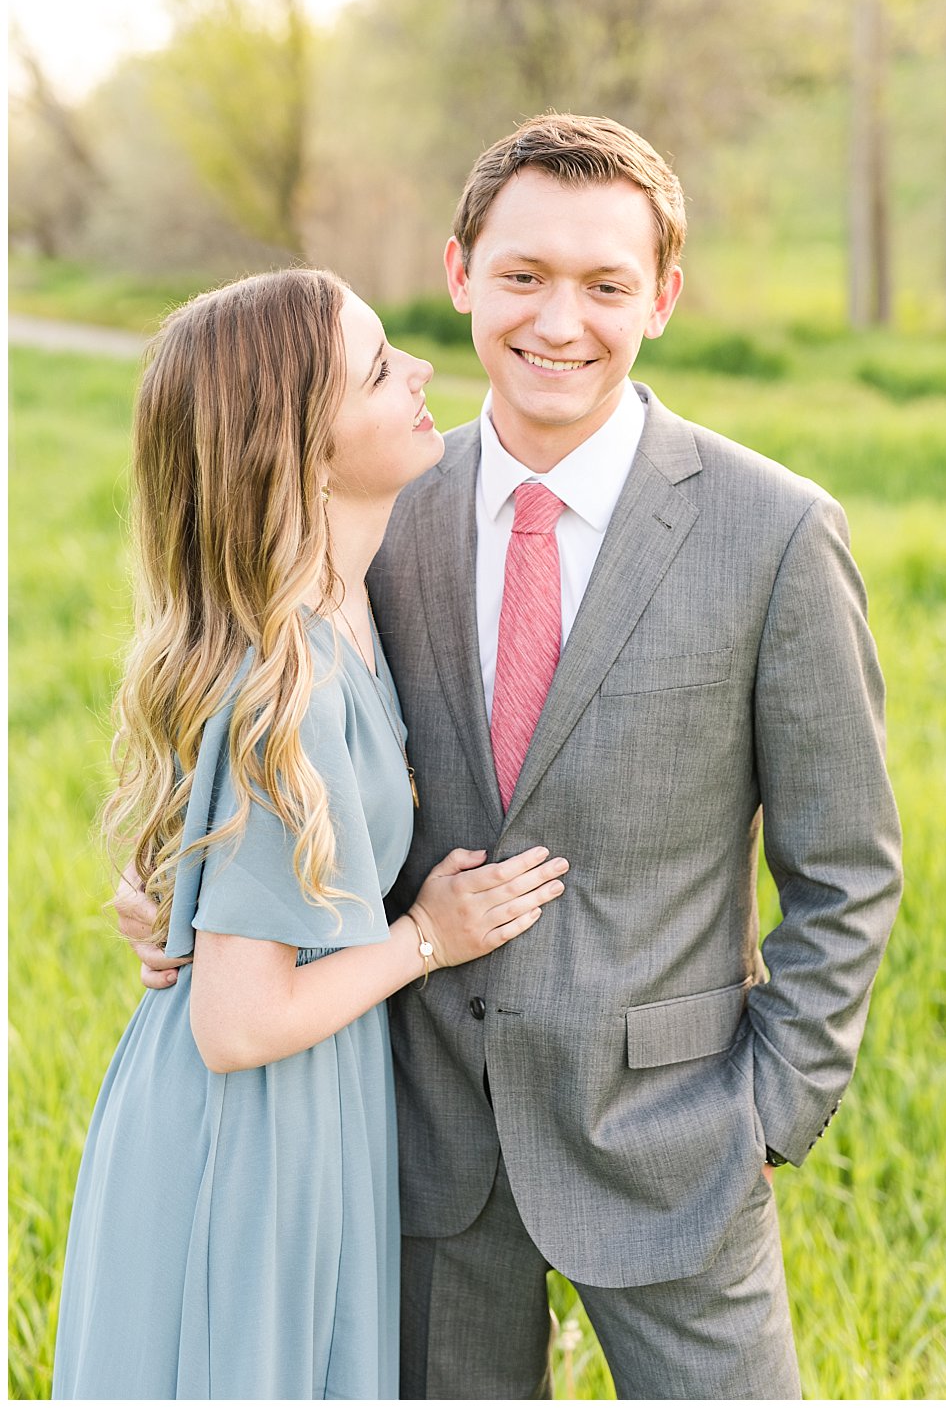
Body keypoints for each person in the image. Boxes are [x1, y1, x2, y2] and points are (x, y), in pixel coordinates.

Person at [119, 113, 901, 1398]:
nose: (558, 321)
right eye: (523, 276)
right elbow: (269, 731)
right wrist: (188, 900)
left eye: (604, 284)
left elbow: (847, 868)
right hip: (420, 1140)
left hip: (673, 1137)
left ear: (663, 297)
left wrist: (774, 1109)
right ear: (458, 275)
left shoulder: (773, 533)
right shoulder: (378, 506)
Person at [57, 269, 565, 1398]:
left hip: (312, 1109)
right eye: (382, 368)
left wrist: (170, 891)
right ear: (304, 450)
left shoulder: (342, 609)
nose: (426, 371)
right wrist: (427, 939)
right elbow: (237, 1023)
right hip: (249, 1134)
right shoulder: (281, 685)